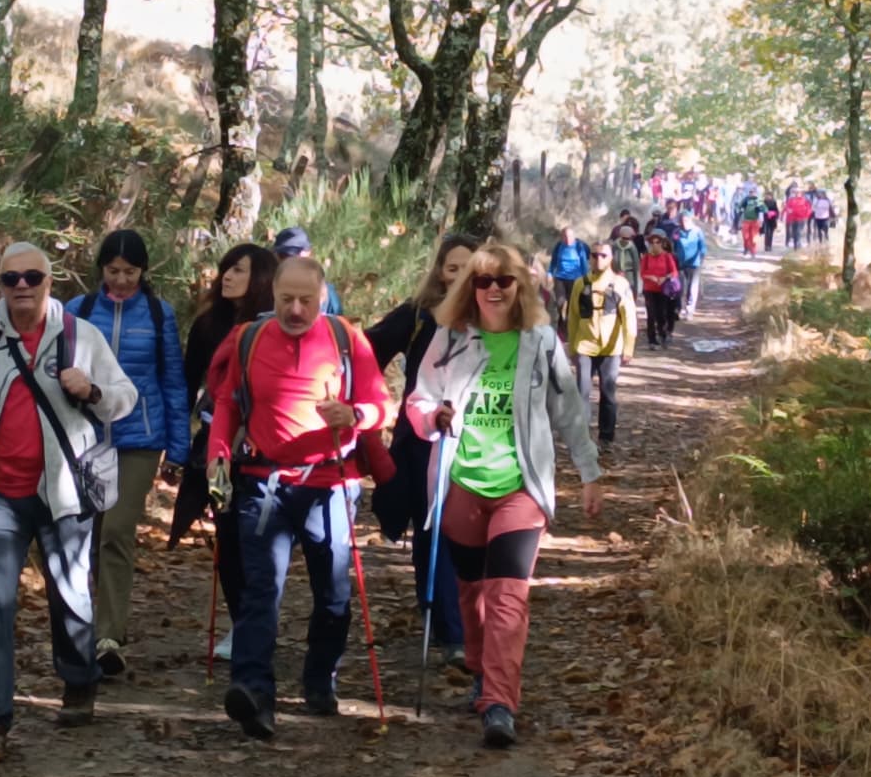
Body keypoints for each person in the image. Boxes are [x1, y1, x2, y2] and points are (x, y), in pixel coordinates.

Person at [408, 241, 603, 748]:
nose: (493, 290)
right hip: (461, 484)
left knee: (508, 596)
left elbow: (569, 411)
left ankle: (499, 702)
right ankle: (480, 670)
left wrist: (589, 472)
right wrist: (433, 417)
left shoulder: (541, 341)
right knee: (472, 591)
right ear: (469, 288)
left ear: (521, 286)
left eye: (504, 281)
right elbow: (419, 398)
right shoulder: (451, 338)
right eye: (483, 281)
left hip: (521, 486)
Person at [0, 242, 138, 763]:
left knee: (70, 595)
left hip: (65, 491)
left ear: (49, 282)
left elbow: (124, 397)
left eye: (32, 277)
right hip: (0, 493)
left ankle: (79, 680)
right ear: (0, 284)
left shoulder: (82, 336)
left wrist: (92, 390)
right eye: (11, 279)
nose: (22, 287)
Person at [206, 257, 394, 740]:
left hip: (330, 482)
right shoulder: (249, 339)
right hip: (264, 482)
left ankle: (319, 677)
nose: (294, 309)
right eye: (285, 299)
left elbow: (382, 406)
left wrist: (353, 415)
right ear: (272, 296)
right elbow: (227, 402)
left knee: (332, 594)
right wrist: (218, 454)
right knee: (260, 590)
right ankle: (253, 693)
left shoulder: (347, 339)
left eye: (305, 301)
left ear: (322, 298)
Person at [68, 230, 189, 678]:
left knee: (117, 532)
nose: (121, 280)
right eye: (113, 270)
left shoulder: (159, 315)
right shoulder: (77, 311)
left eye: (130, 272)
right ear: (101, 269)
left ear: (143, 272)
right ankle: (84, 625)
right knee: (86, 536)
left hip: (140, 439)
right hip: (84, 439)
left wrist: (178, 449)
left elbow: (172, 381)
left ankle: (109, 637)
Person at [365, 233, 481, 669]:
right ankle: (445, 623)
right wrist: (371, 403)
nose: (460, 276)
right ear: (440, 271)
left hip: (474, 440)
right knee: (432, 528)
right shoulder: (418, 315)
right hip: (420, 438)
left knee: (462, 530)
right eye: (452, 268)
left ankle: (454, 619)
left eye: (468, 268)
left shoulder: (492, 315)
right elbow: (368, 349)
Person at [170, 243, 278, 661]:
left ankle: (257, 622)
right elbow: (187, 383)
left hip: (264, 451)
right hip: (216, 451)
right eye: (225, 269)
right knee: (227, 535)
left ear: (261, 278)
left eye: (238, 270)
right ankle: (241, 625)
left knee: (258, 541)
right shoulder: (208, 325)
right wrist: (179, 446)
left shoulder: (275, 327)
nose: (227, 277)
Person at [567, 242, 637, 451]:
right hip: (585, 346)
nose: (598, 259)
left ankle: (606, 437)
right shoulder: (580, 284)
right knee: (581, 393)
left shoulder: (620, 284)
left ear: (611, 258)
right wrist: (572, 346)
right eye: (594, 255)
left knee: (608, 393)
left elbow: (629, 317)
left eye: (603, 255)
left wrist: (628, 348)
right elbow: (573, 316)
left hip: (611, 349)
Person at [273, 226, 343, 314]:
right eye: (283, 256)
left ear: (308, 253)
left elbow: (337, 320)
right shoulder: (269, 289)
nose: (288, 262)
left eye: (293, 256)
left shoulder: (328, 295)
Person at [639, 227, 679, 348]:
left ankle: (663, 334)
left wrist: (665, 278)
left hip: (663, 290)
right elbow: (642, 273)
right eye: (652, 242)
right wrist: (650, 277)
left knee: (661, 314)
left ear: (661, 243)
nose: (655, 244)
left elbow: (674, 272)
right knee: (651, 315)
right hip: (649, 289)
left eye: (657, 242)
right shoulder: (646, 257)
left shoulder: (667, 256)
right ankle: (652, 340)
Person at [547, 226, 589, 333]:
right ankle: (562, 323)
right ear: (562, 237)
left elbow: (584, 264)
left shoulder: (579, 247)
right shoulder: (559, 246)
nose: (568, 239)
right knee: (560, 302)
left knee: (572, 304)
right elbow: (553, 262)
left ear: (574, 236)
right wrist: (549, 273)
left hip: (575, 279)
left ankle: (568, 326)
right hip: (560, 278)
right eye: (565, 236)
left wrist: (586, 281)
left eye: (570, 236)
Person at [673, 212, 707, 318]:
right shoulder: (677, 232)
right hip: (680, 264)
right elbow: (673, 246)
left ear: (690, 220)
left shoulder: (697, 231)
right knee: (679, 287)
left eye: (686, 220)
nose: (684, 222)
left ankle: (689, 310)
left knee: (692, 287)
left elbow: (702, 247)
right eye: (682, 220)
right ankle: (677, 309)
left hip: (694, 264)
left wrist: (701, 259)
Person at [737, 188, 764, 258]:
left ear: (756, 193)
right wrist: (740, 215)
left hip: (755, 221)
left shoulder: (758, 200)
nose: (752, 193)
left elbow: (763, 210)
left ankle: (753, 252)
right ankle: (746, 248)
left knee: (753, 238)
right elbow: (739, 208)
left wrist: (761, 220)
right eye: (750, 192)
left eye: (753, 192)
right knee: (745, 237)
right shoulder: (745, 199)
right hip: (746, 221)